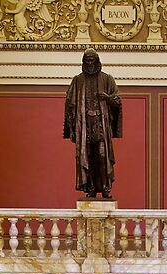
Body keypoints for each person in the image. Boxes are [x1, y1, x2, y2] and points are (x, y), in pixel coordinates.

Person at [62, 49, 121, 202]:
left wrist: (107, 98)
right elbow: (69, 104)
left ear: (97, 61)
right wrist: (72, 128)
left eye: (92, 60)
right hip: (84, 126)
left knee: (102, 156)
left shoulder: (107, 79)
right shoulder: (78, 80)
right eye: (87, 60)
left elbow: (117, 102)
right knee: (87, 157)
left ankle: (106, 188)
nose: (89, 63)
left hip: (101, 125)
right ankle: (91, 189)